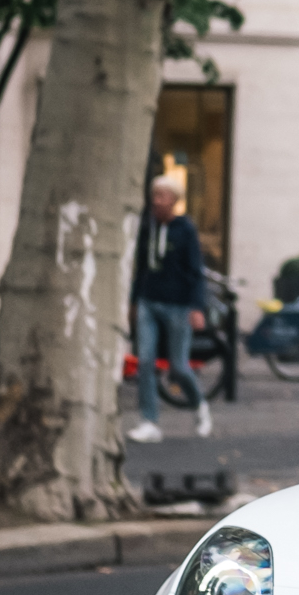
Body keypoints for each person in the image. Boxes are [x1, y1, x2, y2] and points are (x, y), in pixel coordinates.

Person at [128, 171, 210, 443]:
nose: (157, 201)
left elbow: (196, 271)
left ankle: (200, 406)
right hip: (149, 301)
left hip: (178, 305)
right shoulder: (146, 227)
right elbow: (139, 267)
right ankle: (149, 421)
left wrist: (197, 307)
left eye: (162, 196)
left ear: (174, 200)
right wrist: (133, 300)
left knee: (178, 366)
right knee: (146, 361)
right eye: (154, 196)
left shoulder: (185, 230)